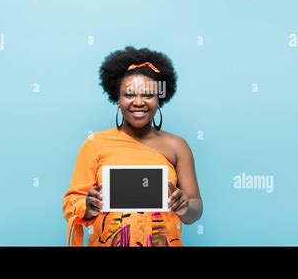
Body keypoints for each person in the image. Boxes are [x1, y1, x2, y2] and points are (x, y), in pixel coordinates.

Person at [62, 46, 203, 246]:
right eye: (129, 95)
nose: (138, 102)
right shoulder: (95, 143)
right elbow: (71, 203)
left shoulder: (177, 146)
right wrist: (88, 206)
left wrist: (185, 206)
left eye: (147, 95)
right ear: (117, 100)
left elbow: (196, 209)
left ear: (159, 99)